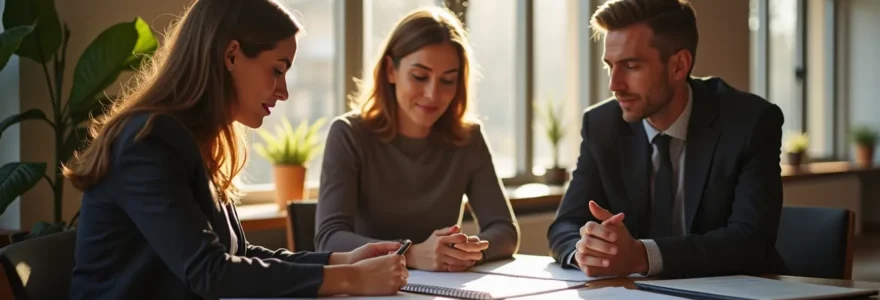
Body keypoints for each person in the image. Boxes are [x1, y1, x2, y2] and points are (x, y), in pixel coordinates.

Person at [62, 0, 408, 299]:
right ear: (231, 55)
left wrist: (344, 261)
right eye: (277, 70)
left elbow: (237, 255)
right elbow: (209, 272)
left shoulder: (195, 138)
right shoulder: (147, 141)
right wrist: (350, 279)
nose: (283, 91)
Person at [547, 0, 788, 279]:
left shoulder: (750, 122)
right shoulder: (602, 125)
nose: (614, 85)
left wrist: (642, 255)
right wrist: (587, 251)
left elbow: (752, 241)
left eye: (631, 66)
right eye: (609, 66)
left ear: (678, 65)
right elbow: (565, 225)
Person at [314, 7, 520, 273]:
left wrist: (459, 253)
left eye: (448, 80)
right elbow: (328, 239)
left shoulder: (468, 139)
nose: (433, 94)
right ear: (391, 70)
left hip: (443, 288)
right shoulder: (349, 134)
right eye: (420, 76)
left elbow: (505, 230)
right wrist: (409, 254)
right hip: (370, 289)